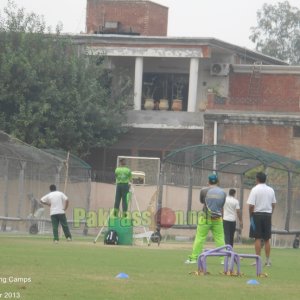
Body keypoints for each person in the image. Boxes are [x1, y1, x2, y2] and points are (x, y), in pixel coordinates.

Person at [185, 174, 226, 264]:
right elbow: (221, 205)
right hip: (218, 219)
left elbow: (202, 201)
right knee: (220, 239)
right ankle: (224, 259)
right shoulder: (223, 192)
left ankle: (194, 258)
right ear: (218, 181)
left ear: (208, 181)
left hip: (205, 218)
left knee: (199, 238)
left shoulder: (204, 190)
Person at [247, 171, 276, 267]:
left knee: (257, 238)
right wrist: (270, 213)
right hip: (267, 215)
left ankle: (258, 260)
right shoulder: (271, 190)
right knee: (267, 239)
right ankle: (268, 261)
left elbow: (251, 205)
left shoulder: (255, 189)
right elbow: (273, 204)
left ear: (257, 179)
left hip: (257, 215)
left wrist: (251, 215)